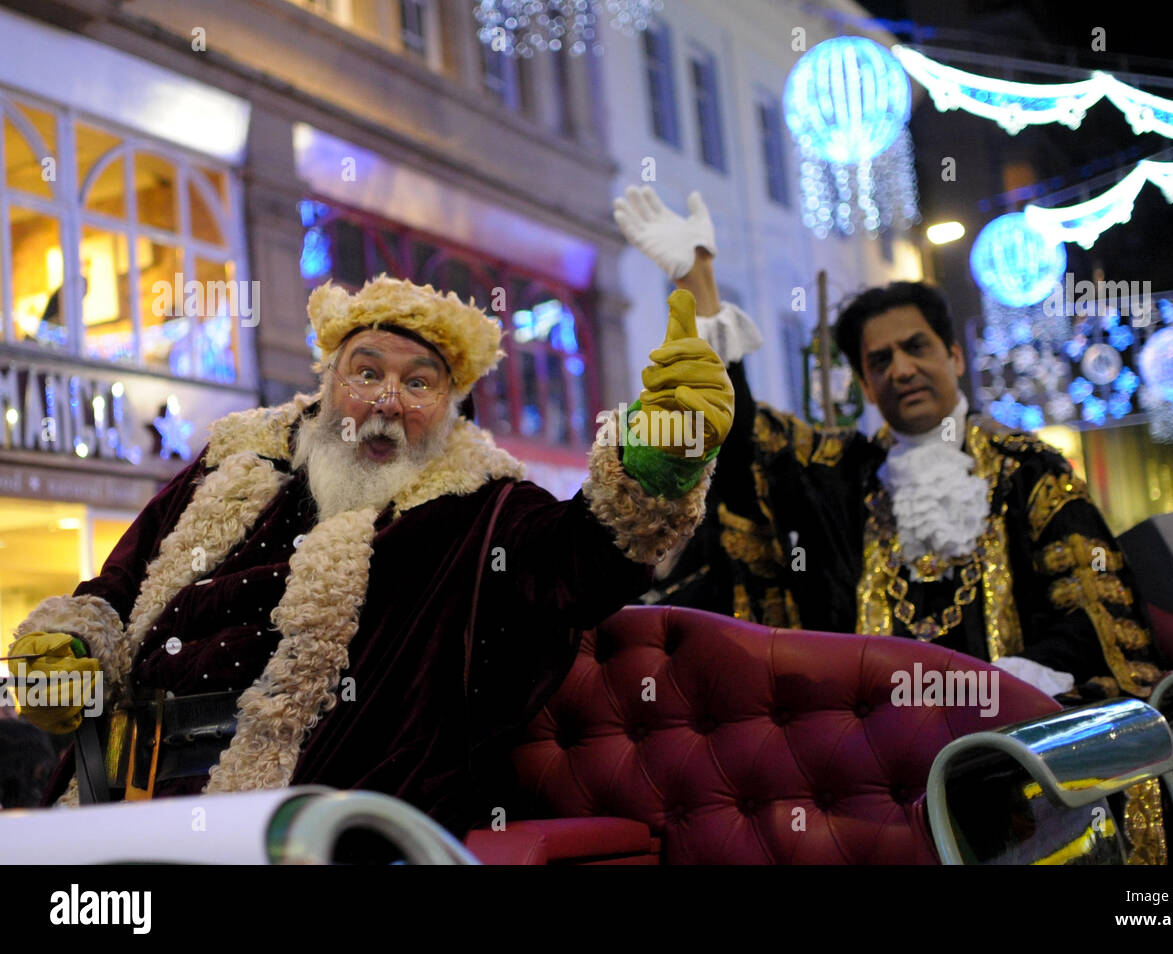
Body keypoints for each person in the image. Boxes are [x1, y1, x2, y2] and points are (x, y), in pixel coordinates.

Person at [8, 275, 733, 838]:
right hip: (118, 777)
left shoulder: (482, 511)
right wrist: (68, 648)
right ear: (328, 384)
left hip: (297, 810)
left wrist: (664, 452)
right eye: (366, 372)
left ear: (450, 409)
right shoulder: (233, 459)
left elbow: (586, 556)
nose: (388, 399)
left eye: (419, 382)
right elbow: (119, 582)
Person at [614, 186, 1162, 700]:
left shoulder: (1031, 472)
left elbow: (1090, 616)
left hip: (1014, 751)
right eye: (880, 361)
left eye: (916, 347)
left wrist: (999, 694)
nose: (901, 369)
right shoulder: (845, 477)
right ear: (867, 386)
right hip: (878, 763)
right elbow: (744, 443)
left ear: (954, 357)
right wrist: (699, 282)